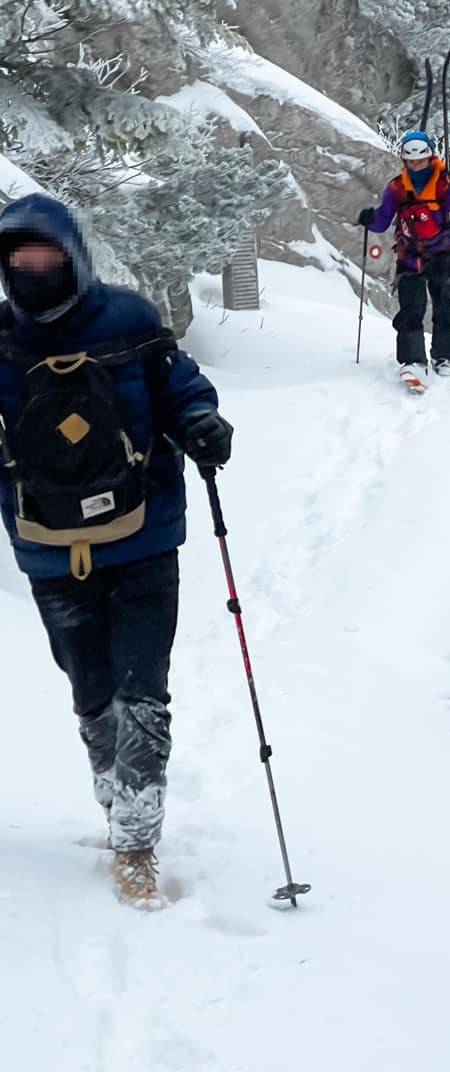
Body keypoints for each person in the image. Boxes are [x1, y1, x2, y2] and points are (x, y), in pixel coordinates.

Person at [0, 193, 233, 905]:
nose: (35, 270)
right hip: (47, 546)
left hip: (144, 538)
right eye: (19, 260)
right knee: (92, 691)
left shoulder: (129, 320)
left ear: (74, 255)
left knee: (141, 691)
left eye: (47, 255)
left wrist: (201, 422)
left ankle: (137, 838)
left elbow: (179, 385)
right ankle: (114, 794)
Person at [358, 130, 450, 389]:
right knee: (411, 309)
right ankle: (412, 361)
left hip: (443, 255)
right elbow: (382, 221)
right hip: (409, 255)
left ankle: (444, 357)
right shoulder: (397, 187)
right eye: (410, 161)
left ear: (430, 157)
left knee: (445, 307)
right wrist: (369, 218)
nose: (415, 166)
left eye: (420, 161)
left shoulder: (445, 183)